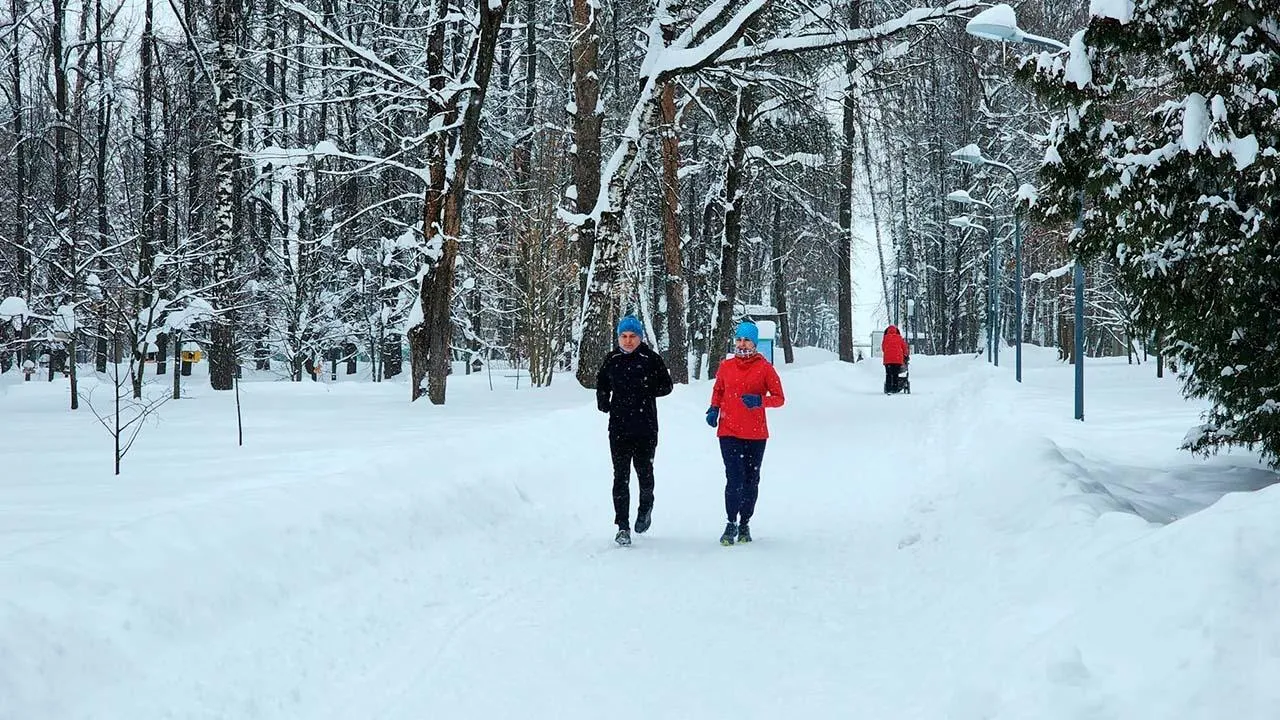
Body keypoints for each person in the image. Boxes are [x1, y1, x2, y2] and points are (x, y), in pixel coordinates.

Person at [705, 320, 785, 546]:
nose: (742, 344)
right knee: (734, 478)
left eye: (747, 339)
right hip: (729, 430)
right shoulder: (726, 366)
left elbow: (779, 398)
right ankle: (730, 522)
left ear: (755, 343)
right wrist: (713, 408)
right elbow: (718, 390)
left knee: (751, 480)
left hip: (756, 434)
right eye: (739, 339)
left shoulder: (765, 368)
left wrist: (759, 400)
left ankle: (745, 523)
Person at [596, 315, 673, 546]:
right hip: (619, 428)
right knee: (620, 477)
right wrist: (602, 399)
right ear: (619, 337)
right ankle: (622, 526)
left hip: (645, 427)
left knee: (644, 473)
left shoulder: (650, 359)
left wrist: (648, 387)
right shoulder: (612, 359)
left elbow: (666, 386)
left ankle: (645, 508)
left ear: (640, 337)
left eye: (633, 336)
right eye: (624, 336)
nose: (628, 341)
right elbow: (602, 382)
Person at [881, 324, 910, 394]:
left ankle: (888, 389)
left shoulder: (885, 338)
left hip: (888, 360)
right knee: (895, 374)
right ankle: (895, 388)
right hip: (897, 359)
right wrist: (906, 355)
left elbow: (883, 348)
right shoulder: (899, 338)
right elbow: (904, 348)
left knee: (888, 374)